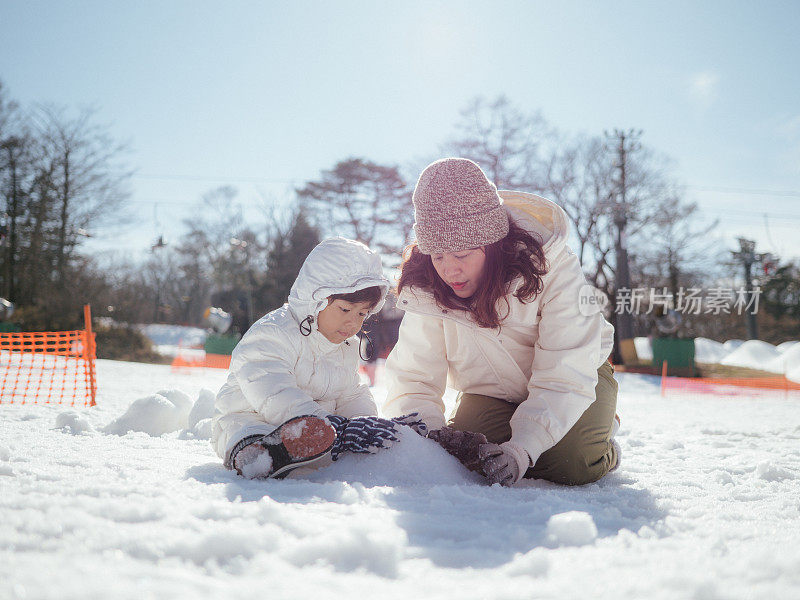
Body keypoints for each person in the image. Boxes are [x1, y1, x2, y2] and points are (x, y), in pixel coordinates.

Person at [383, 158, 619, 487]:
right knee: (467, 454)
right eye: (438, 256)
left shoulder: (554, 268)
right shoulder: (428, 288)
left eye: (462, 255)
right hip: (492, 392)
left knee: (573, 461)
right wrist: (425, 441)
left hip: (578, 380)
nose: (449, 271)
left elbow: (565, 375)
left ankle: (601, 444)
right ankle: (541, 435)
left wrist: (522, 450)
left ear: (492, 245)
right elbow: (415, 377)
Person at [211, 237, 426, 479]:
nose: (353, 322)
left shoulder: (345, 346)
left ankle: (300, 452)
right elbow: (275, 392)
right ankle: (260, 457)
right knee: (247, 432)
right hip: (250, 419)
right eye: (345, 309)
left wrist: (366, 424)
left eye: (362, 313)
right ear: (315, 299)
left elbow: (350, 393)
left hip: (317, 431)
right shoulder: (273, 333)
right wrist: (334, 426)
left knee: (325, 441)